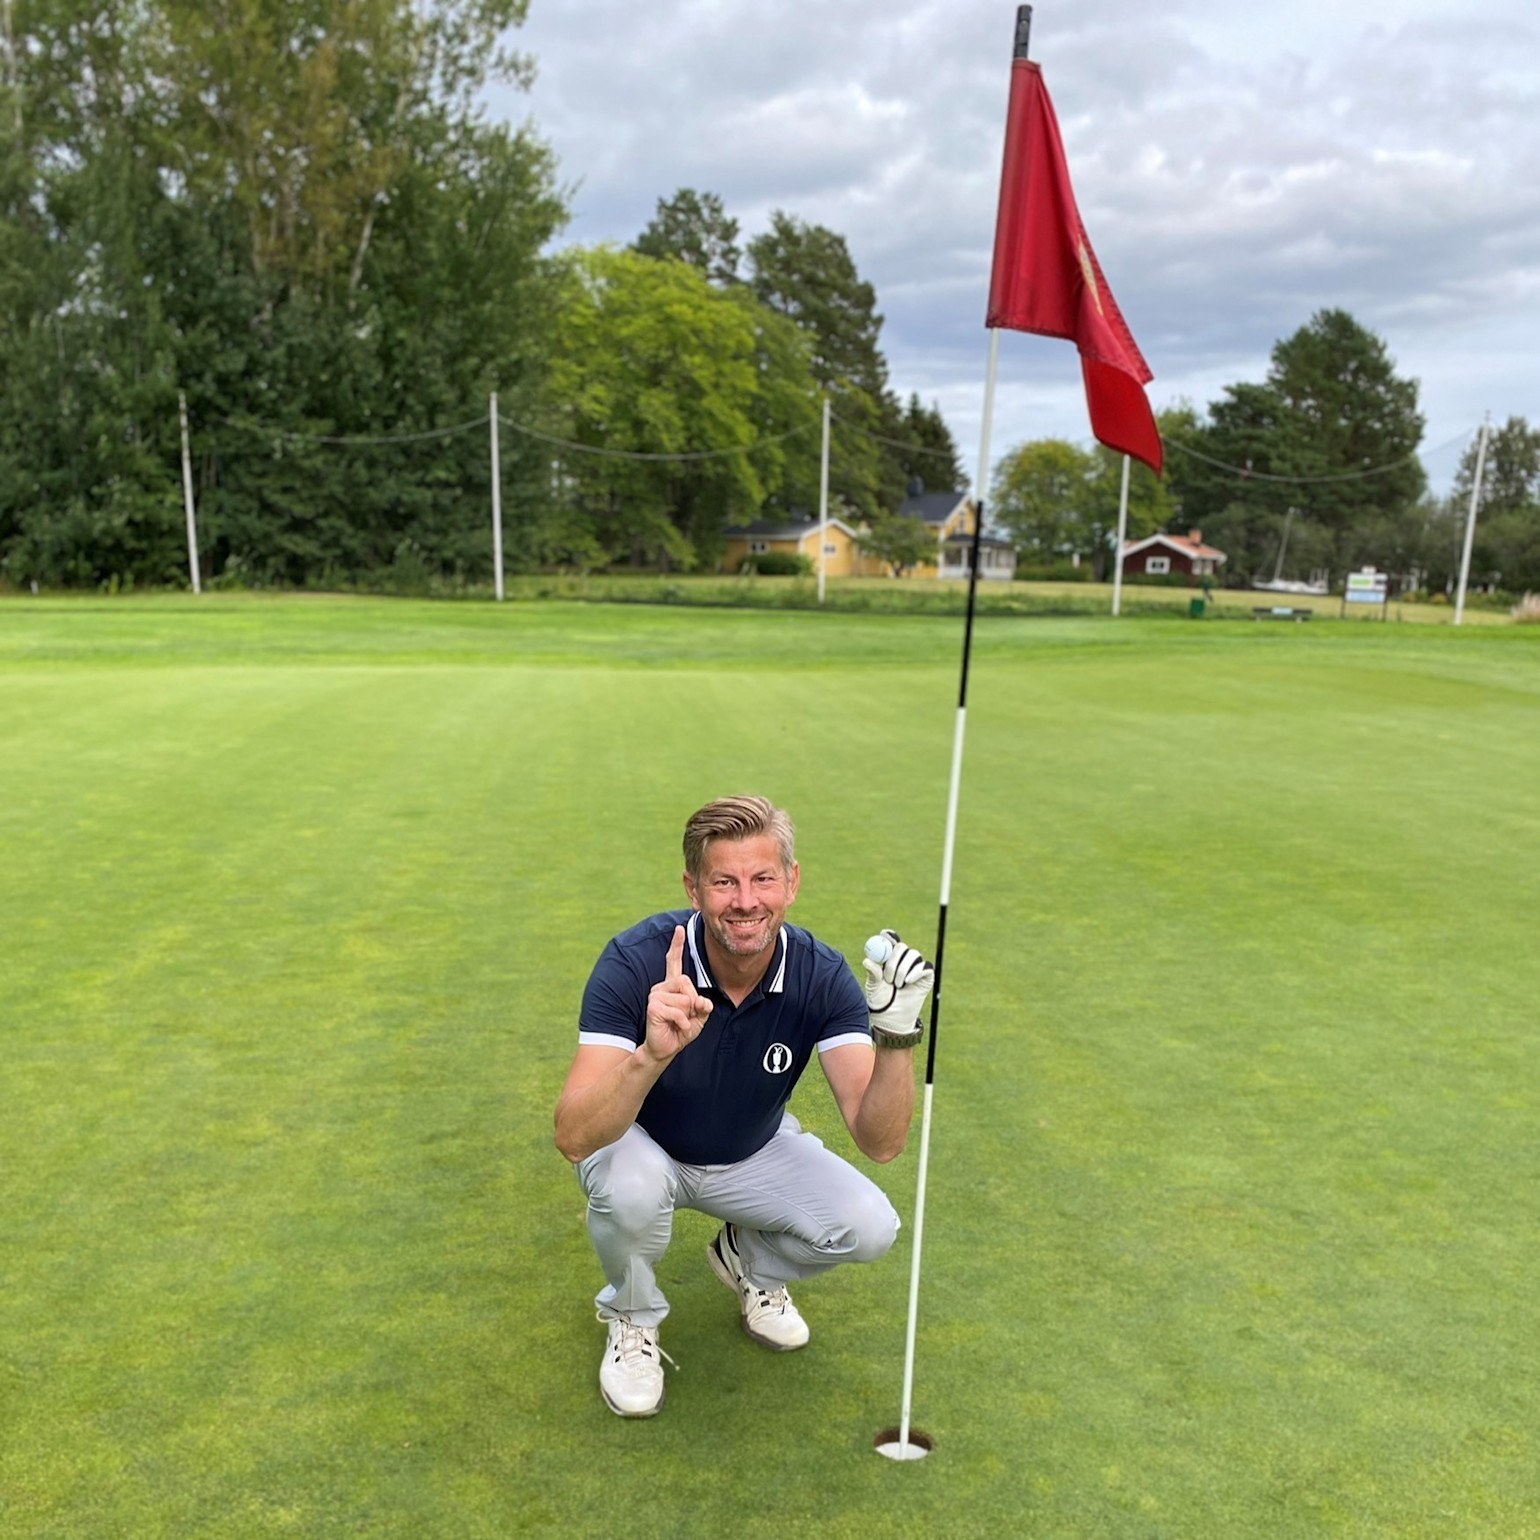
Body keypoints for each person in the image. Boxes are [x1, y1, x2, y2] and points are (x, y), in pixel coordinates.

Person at [553, 794, 934, 1418]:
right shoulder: (634, 960)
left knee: (869, 1226)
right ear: (693, 888)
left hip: (751, 1149)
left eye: (763, 879)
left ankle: (747, 1261)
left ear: (792, 882)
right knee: (629, 1187)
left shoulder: (821, 974)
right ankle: (632, 1317)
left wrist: (894, 1037)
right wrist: (650, 1056)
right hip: (640, 1147)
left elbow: (881, 1141)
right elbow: (574, 1136)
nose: (746, 901)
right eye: (724, 882)